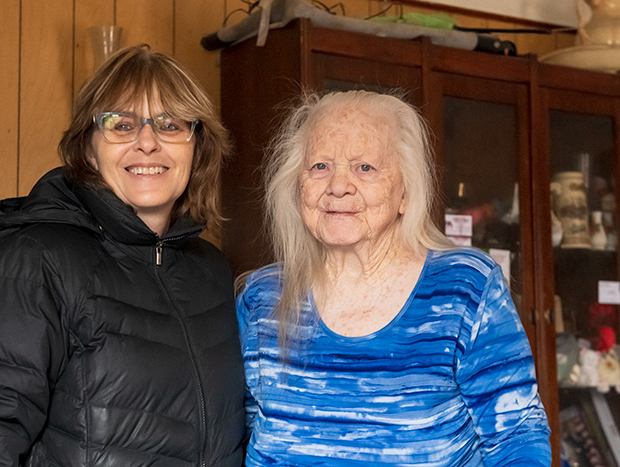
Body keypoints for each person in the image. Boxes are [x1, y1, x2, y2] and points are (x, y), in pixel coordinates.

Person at [0, 45, 246, 466]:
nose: (147, 142)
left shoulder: (212, 272)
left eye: (170, 125)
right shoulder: (34, 263)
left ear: (196, 146)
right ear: (89, 148)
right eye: (120, 124)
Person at [237, 90, 552, 466]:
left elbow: (517, 438)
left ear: (406, 192)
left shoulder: (463, 289)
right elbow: (238, 433)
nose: (338, 186)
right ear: (297, 185)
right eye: (320, 166)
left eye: (364, 167)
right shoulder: (262, 298)